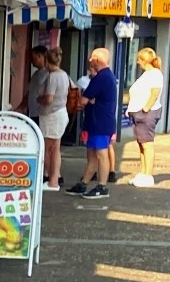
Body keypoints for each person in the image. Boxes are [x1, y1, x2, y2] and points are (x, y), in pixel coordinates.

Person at [68, 48, 117, 200]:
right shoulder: (105, 77)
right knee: (92, 155)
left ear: (97, 60)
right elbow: (87, 99)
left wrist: (88, 99)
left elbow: (82, 100)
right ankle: (84, 182)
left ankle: (102, 186)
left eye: (91, 59)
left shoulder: (101, 78)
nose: (89, 61)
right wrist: (90, 99)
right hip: (95, 120)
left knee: (101, 154)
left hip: (100, 121)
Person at [126, 48, 164, 187]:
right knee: (142, 144)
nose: (137, 62)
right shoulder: (147, 74)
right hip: (138, 113)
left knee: (147, 145)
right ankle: (142, 173)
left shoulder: (155, 74)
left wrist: (144, 110)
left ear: (143, 60)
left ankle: (148, 175)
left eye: (138, 59)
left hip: (146, 114)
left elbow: (154, 93)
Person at [36, 47, 71, 190]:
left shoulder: (52, 76)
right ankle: (54, 180)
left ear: (46, 60)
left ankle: (50, 179)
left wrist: (39, 99)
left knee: (44, 148)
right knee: (55, 149)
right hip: (61, 112)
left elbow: (49, 98)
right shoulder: (64, 75)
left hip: (51, 115)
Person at [24, 46, 48, 122]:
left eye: (32, 57)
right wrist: (20, 108)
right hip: (33, 114)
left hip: (43, 116)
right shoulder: (35, 74)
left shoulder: (49, 74)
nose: (31, 61)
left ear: (39, 56)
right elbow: (30, 93)